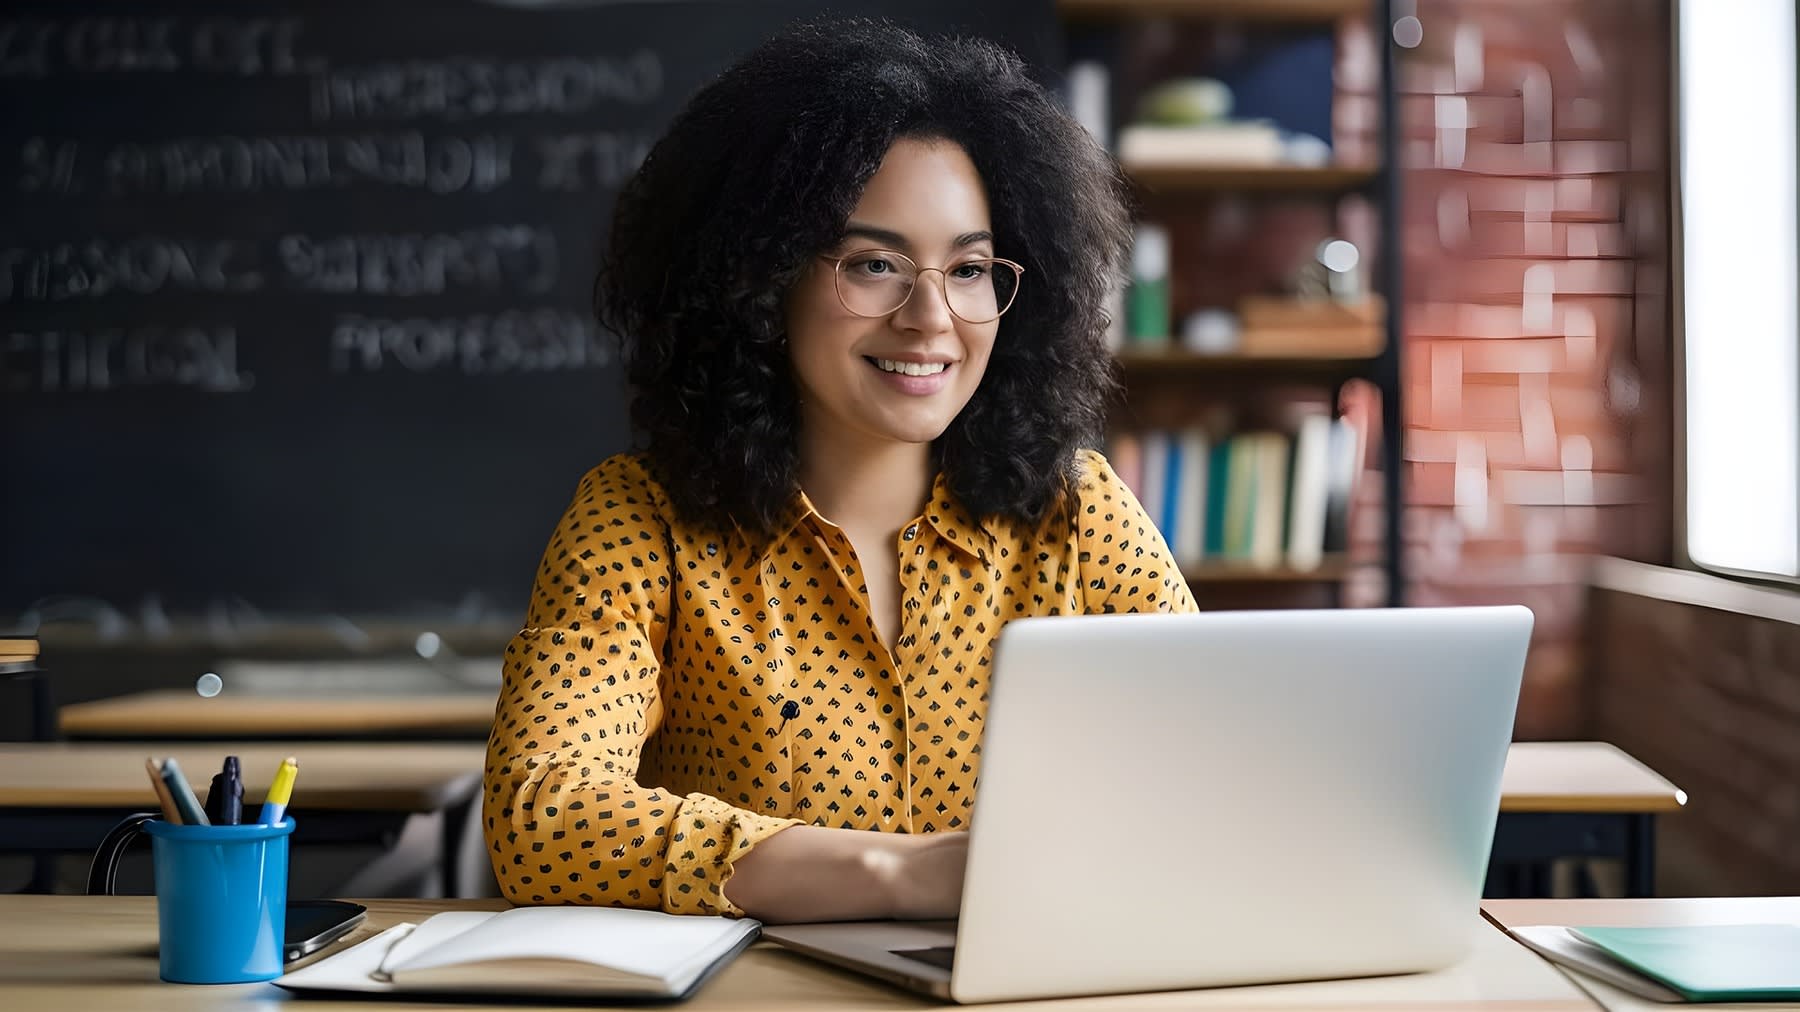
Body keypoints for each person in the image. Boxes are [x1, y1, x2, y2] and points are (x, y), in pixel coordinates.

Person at [483, 16, 1198, 924]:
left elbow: (1206, 777)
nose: (931, 318)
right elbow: (540, 817)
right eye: (873, 263)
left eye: (970, 269)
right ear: (757, 278)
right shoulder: (640, 521)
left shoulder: (1081, 514)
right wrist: (899, 874)